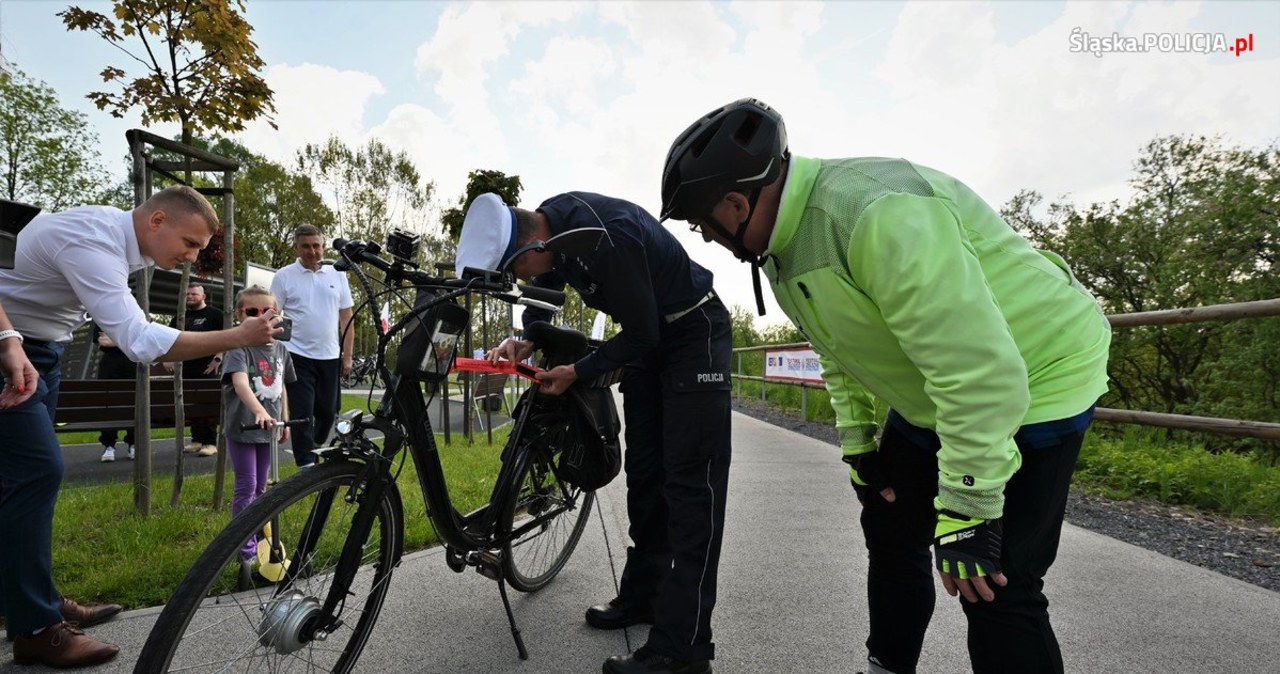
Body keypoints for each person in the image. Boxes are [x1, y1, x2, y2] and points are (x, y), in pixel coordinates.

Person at [659, 98, 1112, 674]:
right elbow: (839, 347)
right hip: (933, 390)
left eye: (702, 222)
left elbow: (983, 377)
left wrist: (969, 506)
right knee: (891, 529)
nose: (704, 237)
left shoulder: (878, 213)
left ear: (736, 201)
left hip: (1040, 375)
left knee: (992, 580)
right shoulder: (777, 246)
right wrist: (860, 444)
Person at [0, 185, 282, 668]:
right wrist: (238, 335)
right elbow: (137, 340)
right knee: (37, 473)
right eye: (190, 244)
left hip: (38, 348)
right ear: (156, 221)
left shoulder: (128, 248)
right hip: (14, 346)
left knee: (25, 484)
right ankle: (34, 628)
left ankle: (34, 601)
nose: (192, 257)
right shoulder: (95, 240)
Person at [455, 192, 732, 674]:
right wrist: (531, 336)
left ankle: (683, 649)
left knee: (691, 486)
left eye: (515, 271)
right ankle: (644, 598)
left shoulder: (608, 238)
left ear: (530, 246)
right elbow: (544, 294)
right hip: (650, 342)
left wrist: (579, 371)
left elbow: (643, 331)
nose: (522, 279)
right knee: (646, 479)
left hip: (692, 333)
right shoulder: (553, 231)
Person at [220, 286, 295, 572]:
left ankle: (260, 535)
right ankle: (245, 548)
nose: (262, 317)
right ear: (240, 315)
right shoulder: (238, 348)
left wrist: (283, 418)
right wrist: (259, 411)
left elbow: (281, 387)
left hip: (269, 429)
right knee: (246, 487)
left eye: (268, 312)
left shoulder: (281, 349)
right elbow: (240, 384)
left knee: (262, 488)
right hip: (243, 428)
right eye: (253, 312)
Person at [270, 225, 354, 468]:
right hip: (296, 354)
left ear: (324, 246)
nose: (312, 251)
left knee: (329, 411)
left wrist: (347, 356)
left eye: (316, 245)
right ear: (296, 247)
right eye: (306, 246)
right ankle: (305, 462)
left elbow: (346, 317)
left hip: (329, 355)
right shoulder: (284, 276)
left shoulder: (338, 273)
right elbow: (274, 313)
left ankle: (315, 445)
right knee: (302, 411)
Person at [162, 282, 224, 456]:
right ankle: (196, 440)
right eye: (187, 294)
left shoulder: (215, 314)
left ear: (203, 297)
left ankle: (210, 442)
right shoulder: (180, 317)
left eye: (194, 294)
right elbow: (169, 340)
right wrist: (167, 358)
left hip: (209, 368)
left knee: (207, 404)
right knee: (191, 405)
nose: (190, 297)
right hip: (186, 369)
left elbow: (226, 338)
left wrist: (218, 358)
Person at [90, 322, 135, 462]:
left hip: (132, 364)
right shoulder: (101, 318)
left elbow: (139, 340)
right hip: (109, 365)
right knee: (108, 404)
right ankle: (109, 445)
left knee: (133, 404)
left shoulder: (135, 316)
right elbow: (102, 340)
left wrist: (113, 339)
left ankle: (133, 443)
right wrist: (126, 340)